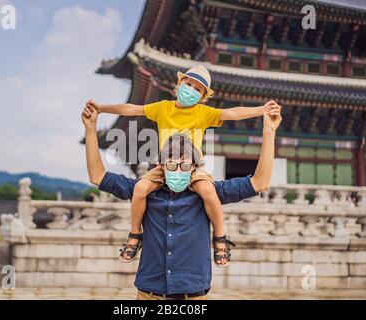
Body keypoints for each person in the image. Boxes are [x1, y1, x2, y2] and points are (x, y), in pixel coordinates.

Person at [83, 64, 281, 267]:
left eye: (198, 89)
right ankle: (135, 234)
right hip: (164, 165)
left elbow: (232, 113)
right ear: (179, 84)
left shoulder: (204, 112)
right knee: (141, 189)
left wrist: (261, 110)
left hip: (193, 167)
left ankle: (220, 238)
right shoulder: (162, 108)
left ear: (203, 96)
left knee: (208, 191)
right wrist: (103, 108)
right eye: (189, 84)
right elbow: (132, 109)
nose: (191, 90)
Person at [82, 104, 282, 300]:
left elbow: (259, 183)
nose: (178, 170)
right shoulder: (144, 191)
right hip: (149, 294)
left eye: (185, 164)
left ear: (195, 166)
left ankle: (220, 240)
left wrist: (269, 131)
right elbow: (97, 176)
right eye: (171, 164)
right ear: (161, 165)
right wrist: (90, 128)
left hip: (193, 296)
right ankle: (135, 236)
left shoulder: (209, 192)